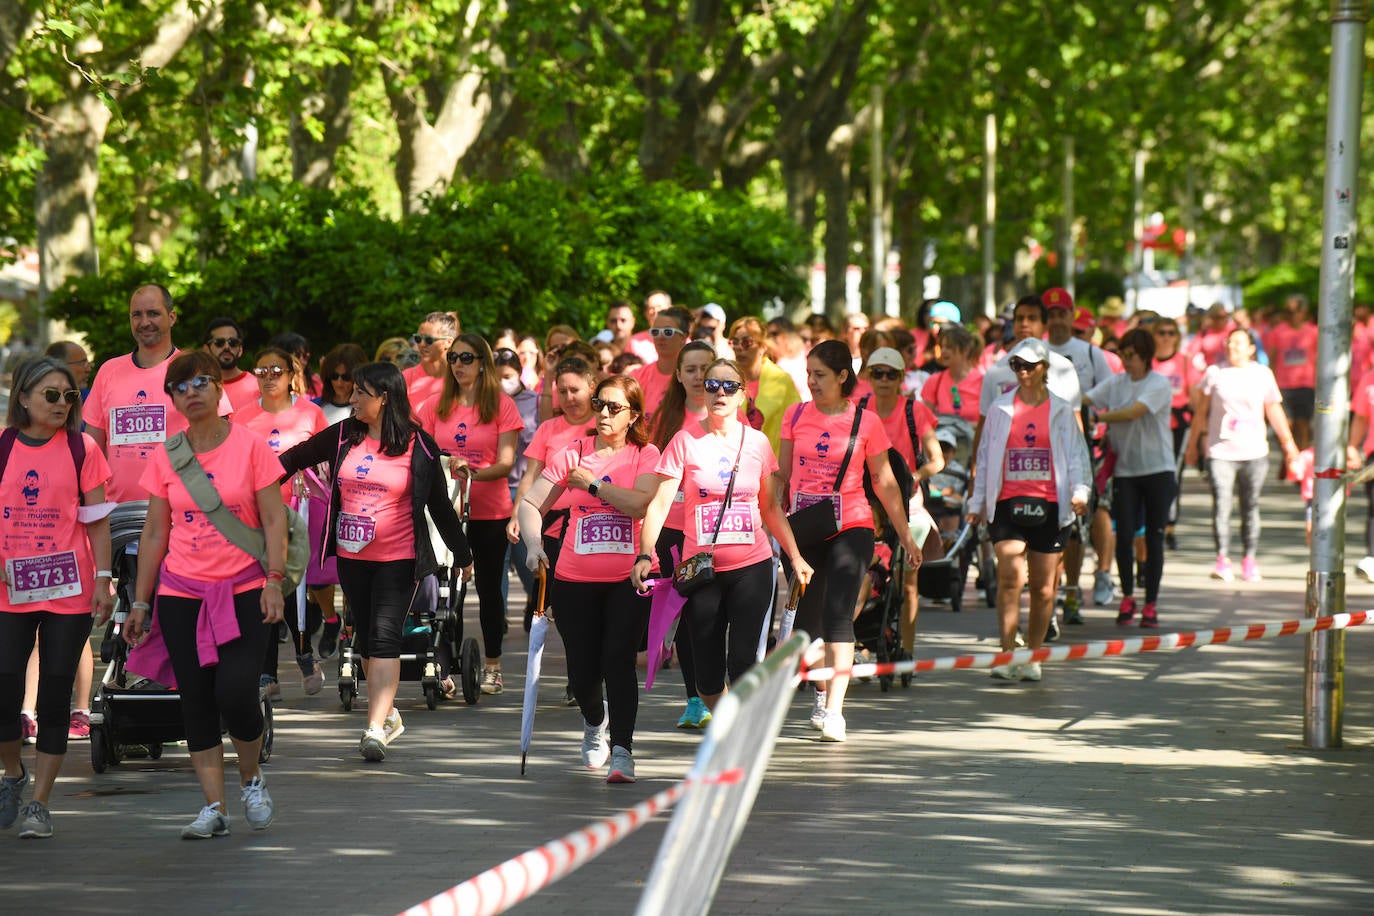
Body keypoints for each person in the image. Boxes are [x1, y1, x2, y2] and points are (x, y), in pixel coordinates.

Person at [124, 351, 287, 838]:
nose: (191, 391)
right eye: (181, 386)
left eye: (201, 382)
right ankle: (214, 807)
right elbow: (155, 532)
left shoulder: (253, 447)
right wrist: (140, 600)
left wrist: (275, 580)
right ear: (172, 398)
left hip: (244, 588)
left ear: (219, 390)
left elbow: (275, 518)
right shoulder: (167, 454)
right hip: (181, 594)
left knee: (236, 692)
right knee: (194, 698)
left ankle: (251, 777)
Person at [278, 362, 472, 761]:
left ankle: (373, 730)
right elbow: (293, 459)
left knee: (384, 637)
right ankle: (387, 714)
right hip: (352, 557)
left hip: (398, 559)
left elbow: (439, 507)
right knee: (365, 637)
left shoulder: (420, 447)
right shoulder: (344, 436)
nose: (352, 400)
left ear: (385, 397)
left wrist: (465, 556)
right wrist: (250, 490)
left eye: (360, 393)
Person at [637, 358, 813, 717]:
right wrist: (644, 555)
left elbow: (771, 509)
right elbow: (658, 505)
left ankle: (738, 732)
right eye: (712, 385)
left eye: (729, 386)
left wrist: (795, 556)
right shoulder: (685, 441)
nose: (720, 392)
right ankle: (724, 715)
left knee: (743, 658)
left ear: (742, 394)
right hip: (701, 569)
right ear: (702, 390)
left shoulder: (758, 443)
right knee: (708, 673)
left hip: (753, 565)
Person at [518, 375, 660, 783]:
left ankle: (623, 751)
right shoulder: (572, 453)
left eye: (615, 408)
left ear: (633, 416)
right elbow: (531, 503)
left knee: (618, 660)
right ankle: (595, 722)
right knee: (581, 671)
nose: (603, 413)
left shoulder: (645, 455)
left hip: (626, 577)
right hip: (574, 577)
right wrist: (532, 544)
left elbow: (639, 505)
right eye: (600, 404)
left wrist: (593, 485)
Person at [779, 340, 923, 742]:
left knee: (839, 613)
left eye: (820, 375)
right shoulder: (794, 416)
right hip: (805, 527)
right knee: (807, 626)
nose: (811, 382)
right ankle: (822, 693)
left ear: (843, 377)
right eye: (808, 374)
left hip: (852, 524)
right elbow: (782, 477)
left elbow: (885, 482)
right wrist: (769, 520)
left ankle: (836, 710)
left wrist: (906, 534)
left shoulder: (867, 423)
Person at [0, 357, 114, 839]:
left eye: (70, 396)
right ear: (23, 397)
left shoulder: (81, 446)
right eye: (51, 395)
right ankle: (12, 775)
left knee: (53, 694)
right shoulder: (3, 446)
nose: (62, 405)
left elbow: (98, 517)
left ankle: (40, 804)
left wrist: (104, 578)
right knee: (4, 690)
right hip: (10, 590)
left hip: (68, 588)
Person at [967, 338, 1091, 683]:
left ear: (1044, 368)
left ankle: (1034, 655)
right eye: (1017, 365)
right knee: (1009, 578)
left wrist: (1081, 492)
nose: (1023, 372)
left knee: (1043, 587)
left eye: (1030, 366)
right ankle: (1007, 653)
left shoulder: (1062, 410)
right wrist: (977, 503)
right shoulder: (999, 408)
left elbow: (1077, 456)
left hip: (1051, 504)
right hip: (1007, 502)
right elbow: (985, 458)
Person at [414, 334, 523, 695]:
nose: (459, 364)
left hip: (489, 511)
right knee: (448, 589)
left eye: (467, 358)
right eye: (454, 358)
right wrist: (448, 464)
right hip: (444, 512)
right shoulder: (433, 406)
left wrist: (470, 471)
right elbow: (423, 457)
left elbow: (506, 463)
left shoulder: (501, 406)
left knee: (490, 589)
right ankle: (444, 666)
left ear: (482, 363)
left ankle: (492, 664)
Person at [232, 347, 330, 695]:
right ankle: (268, 673)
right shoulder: (241, 417)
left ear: (291, 375)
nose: (269, 376)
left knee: (287, 588)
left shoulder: (310, 414)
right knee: (264, 587)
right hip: (256, 516)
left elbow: (326, 463)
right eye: (261, 371)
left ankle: (302, 653)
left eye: (276, 370)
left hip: (299, 515)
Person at [1185, 328, 1300, 582]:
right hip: (1220, 452)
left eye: (1238, 343)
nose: (1232, 347)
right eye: (1229, 342)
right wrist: (1192, 446)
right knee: (1222, 506)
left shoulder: (1262, 374)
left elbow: (1274, 411)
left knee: (1250, 506)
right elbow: (1200, 413)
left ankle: (1249, 559)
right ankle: (1222, 559)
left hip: (1254, 452)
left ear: (1250, 348)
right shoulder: (1215, 373)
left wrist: (1289, 445)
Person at [644, 340, 718, 727]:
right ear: (678, 374)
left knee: (715, 616)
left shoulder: (731, 415)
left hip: (719, 535)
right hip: (673, 531)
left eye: (706, 368)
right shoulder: (664, 419)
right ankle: (695, 698)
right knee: (689, 615)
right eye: (690, 369)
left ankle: (717, 689)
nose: (699, 376)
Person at [1086, 329, 1174, 628]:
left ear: (1145, 356)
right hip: (1126, 471)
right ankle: (1126, 596)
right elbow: (1088, 398)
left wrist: (1097, 419)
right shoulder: (1117, 382)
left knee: (1154, 538)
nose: (1125, 360)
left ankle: (1151, 602)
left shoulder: (1158, 384)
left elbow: (1133, 413)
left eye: (1131, 355)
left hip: (1158, 469)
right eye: (1122, 354)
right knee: (1123, 535)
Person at [861, 348, 944, 656]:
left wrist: (913, 474)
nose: (884, 380)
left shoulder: (915, 411)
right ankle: (868, 640)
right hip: (866, 503)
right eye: (877, 373)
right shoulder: (859, 409)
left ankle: (906, 649)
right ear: (868, 376)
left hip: (909, 503)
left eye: (891, 374)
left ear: (900, 377)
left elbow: (937, 460)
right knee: (864, 572)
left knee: (906, 579)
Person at [493, 347, 541, 625]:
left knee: (524, 554)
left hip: (526, 487)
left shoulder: (533, 402)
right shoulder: (489, 403)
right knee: (499, 557)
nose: (503, 383)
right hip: (496, 486)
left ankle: (535, 600)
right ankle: (498, 615)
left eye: (508, 376)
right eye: (497, 377)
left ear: (519, 374)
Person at [729, 316, 802, 454]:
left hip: (773, 462)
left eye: (746, 342)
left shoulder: (782, 380)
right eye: (734, 342)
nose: (739, 347)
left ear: (762, 346)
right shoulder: (726, 379)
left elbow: (798, 424)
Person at [1264, 294, 1318, 452]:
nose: (1289, 315)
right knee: (1286, 425)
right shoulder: (1277, 332)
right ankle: (1288, 458)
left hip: (1306, 385)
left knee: (1303, 425)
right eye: (1287, 311)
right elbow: (1272, 359)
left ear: (1303, 312)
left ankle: (1301, 462)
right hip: (1283, 386)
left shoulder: (1313, 332)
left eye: (1293, 311)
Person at [629, 306, 694, 426]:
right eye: (655, 332)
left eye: (668, 332)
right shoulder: (637, 376)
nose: (660, 337)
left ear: (684, 337)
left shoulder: (695, 378)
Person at [921, 324, 984, 423]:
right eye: (942, 346)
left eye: (949, 347)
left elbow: (989, 422)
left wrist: (965, 427)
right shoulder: (934, 381)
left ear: (966, 350)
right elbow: (925, 422)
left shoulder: (982, 381)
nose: (943, 351)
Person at [403, 312, 459, 406]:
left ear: (448, 342)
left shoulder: (460, 378)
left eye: (429, 340)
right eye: (418, 338)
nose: (422, 344)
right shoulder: (405, 378)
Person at [203, 317, 258, 411]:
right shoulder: (197, 388)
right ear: (206, 350)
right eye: (219, 343)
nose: (227, 347)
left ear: (240, 350)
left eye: (233, 343)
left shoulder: (258, 386)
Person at [626, 290, 671, 365]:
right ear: (646, 313)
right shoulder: (634, 342)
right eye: (651, 308)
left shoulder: (682, 339)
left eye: (659, 307)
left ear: (671, 309)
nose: (656, 311)